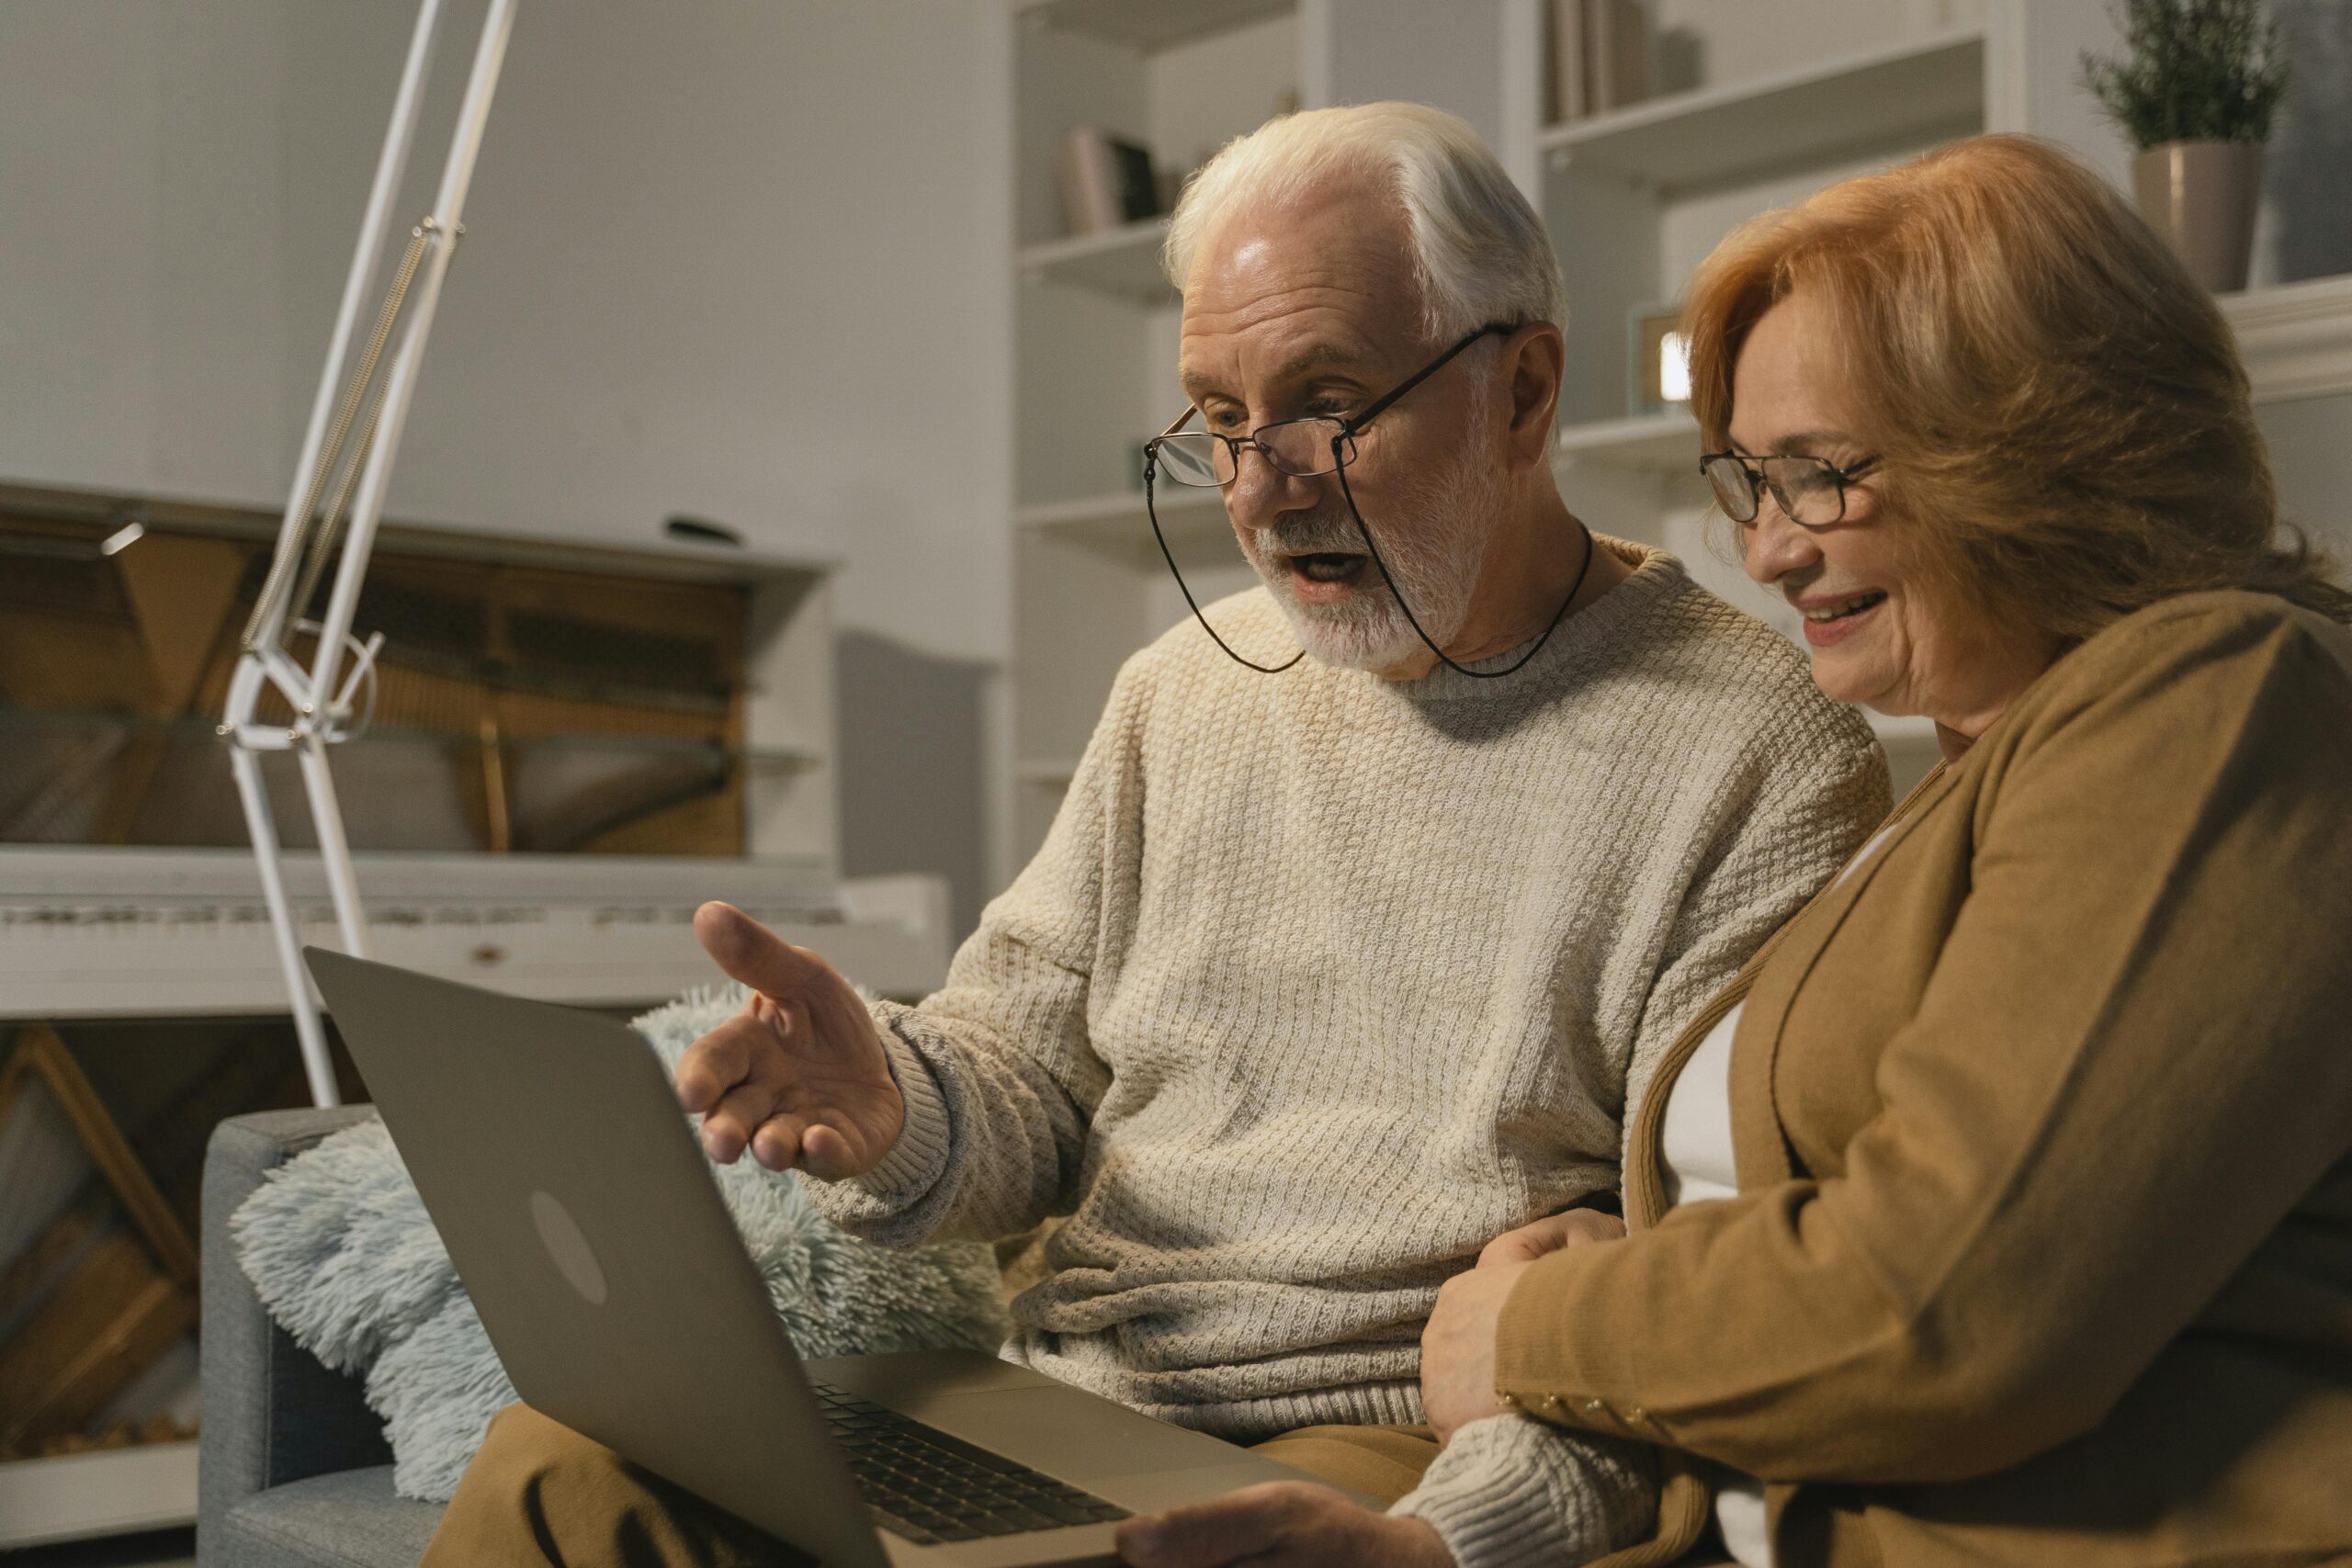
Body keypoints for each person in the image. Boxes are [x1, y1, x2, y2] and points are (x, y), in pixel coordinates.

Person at [420, 104, 1889, 1565]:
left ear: (1524, 393)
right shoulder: (1177, 694)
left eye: (1328, 404)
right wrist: (891, 1101)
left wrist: (1465, 1533)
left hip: (1384, 1434)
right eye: (1222, 421)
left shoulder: (1753, 748)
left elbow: (1700, 1301)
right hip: (1067, 1391)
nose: (1260, 488)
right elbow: (1025, 1085)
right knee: (560, 1463)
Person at [1391, 134, 2352, 1568]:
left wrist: (1536, 1327)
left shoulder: (2220, 693)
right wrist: (1642, 1278)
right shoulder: (1973, 770)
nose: (1769, 551)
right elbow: (1849, 1220)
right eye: (1751, 484)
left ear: (2037, 442)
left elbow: (1951, 1306)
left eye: (1821, 475)